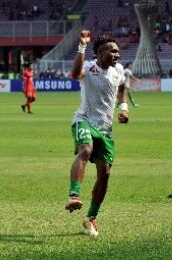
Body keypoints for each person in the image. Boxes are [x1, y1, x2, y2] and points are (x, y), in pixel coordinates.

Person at [65, 30, 129, 237]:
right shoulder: (88, 67)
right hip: (84, 120)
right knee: (85, 150)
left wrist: (124, 108)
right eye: (114, 51)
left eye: (118, 52)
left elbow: (121, 89)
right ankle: (74, 195)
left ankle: (91, 218)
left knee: (105, 174)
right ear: (101, 53)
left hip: (105, 128)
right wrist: (82, 46)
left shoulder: (118, 70)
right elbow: (75, 75)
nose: (118, 55)